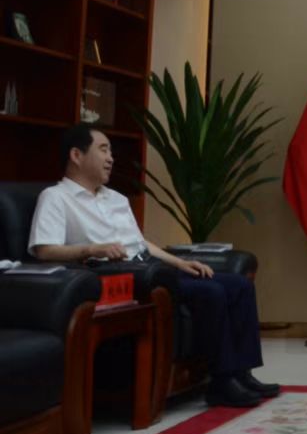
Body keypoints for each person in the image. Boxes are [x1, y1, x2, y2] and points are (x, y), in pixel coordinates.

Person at [29, 124, 280, 408]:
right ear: (76, 155)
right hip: (122, 277)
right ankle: (222, 383)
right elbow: (44, 250)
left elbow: (140, 243)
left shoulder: (115, 198)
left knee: (239, 285)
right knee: (211, 293)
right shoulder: (56, 197)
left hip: (151, 268)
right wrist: (92, 248)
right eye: (103, 150)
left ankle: (243, 373)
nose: (111, 158)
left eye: (111, 151)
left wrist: (180, 262)